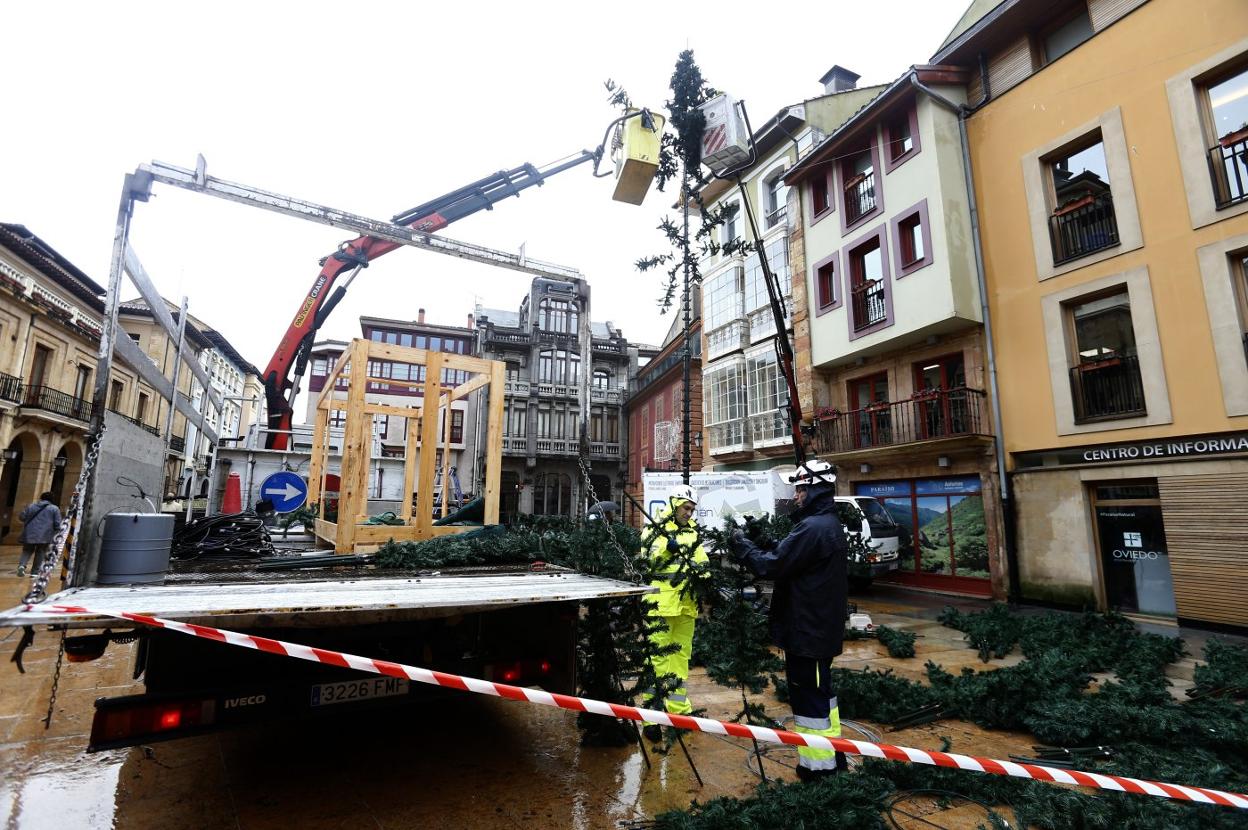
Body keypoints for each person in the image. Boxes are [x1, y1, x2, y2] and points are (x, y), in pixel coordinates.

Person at [729, 460, 849, 782]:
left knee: (809, 700)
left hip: (807, 632)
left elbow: (773, 566)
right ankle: (834, 757)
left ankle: (817, 771)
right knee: (823, 696)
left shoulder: (813, 528)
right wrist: (763, 540)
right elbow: (791, 557)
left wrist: (742, 547)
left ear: (816, 489)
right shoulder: (824, 524)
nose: (796, 496)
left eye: (801, 489)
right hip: (819, 630)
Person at [639, 484, 708, 740]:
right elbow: (648, 560)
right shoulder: (653, 530)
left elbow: (702, 561)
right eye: (685, 508)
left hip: (685, 607)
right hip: (660, 606)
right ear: (674, 505)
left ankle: (680, 713)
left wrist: (705, 576)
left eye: (692, 509)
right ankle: (651, 718)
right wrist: (668, 548)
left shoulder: (692, 533)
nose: (689, 513)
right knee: (656, 662)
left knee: (680, 660)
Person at [17, 491, 63, 578]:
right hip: (45, 535)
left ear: (41, 498)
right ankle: (34, 572)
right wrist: (57, 533)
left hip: (29, 533)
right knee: (40, 552)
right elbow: (58, 523)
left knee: (27, 550)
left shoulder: (31, 506)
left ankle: (22, 566)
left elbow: (22, 517)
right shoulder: (54, 508)